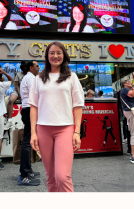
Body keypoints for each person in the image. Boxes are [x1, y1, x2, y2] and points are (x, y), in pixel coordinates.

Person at [29, 41, 84, 192]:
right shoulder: (38, 79)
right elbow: (34, 107)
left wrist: (77, 132)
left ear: (64, 56)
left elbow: (78, 106)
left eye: (59, 53)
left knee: (62, 176)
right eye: (51, 53)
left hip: (65, 129)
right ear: (46, 56)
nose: (55, 56)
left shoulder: (71, 77)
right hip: (43, 130)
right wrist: (33, 133)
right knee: (51, 177)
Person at [18, 60, 40, 186]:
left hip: (28, 109)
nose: (39, 67)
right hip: (29, 110)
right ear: (31, 67)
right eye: (37, 66)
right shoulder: (31, 78)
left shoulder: (29, 77)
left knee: (29, 140)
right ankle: (24, 175)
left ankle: (28, 171)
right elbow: (36, 96)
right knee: (27, 142)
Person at [4, 61, 27, 130]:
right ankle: (9, 121)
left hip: (26, 92)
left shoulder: (30, 75)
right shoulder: (18, 74)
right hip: (17, 91)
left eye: (25, 67)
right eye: (23, 67)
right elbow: (16, 86)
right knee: (11, 100)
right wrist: (19, 94)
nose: (24, 68)